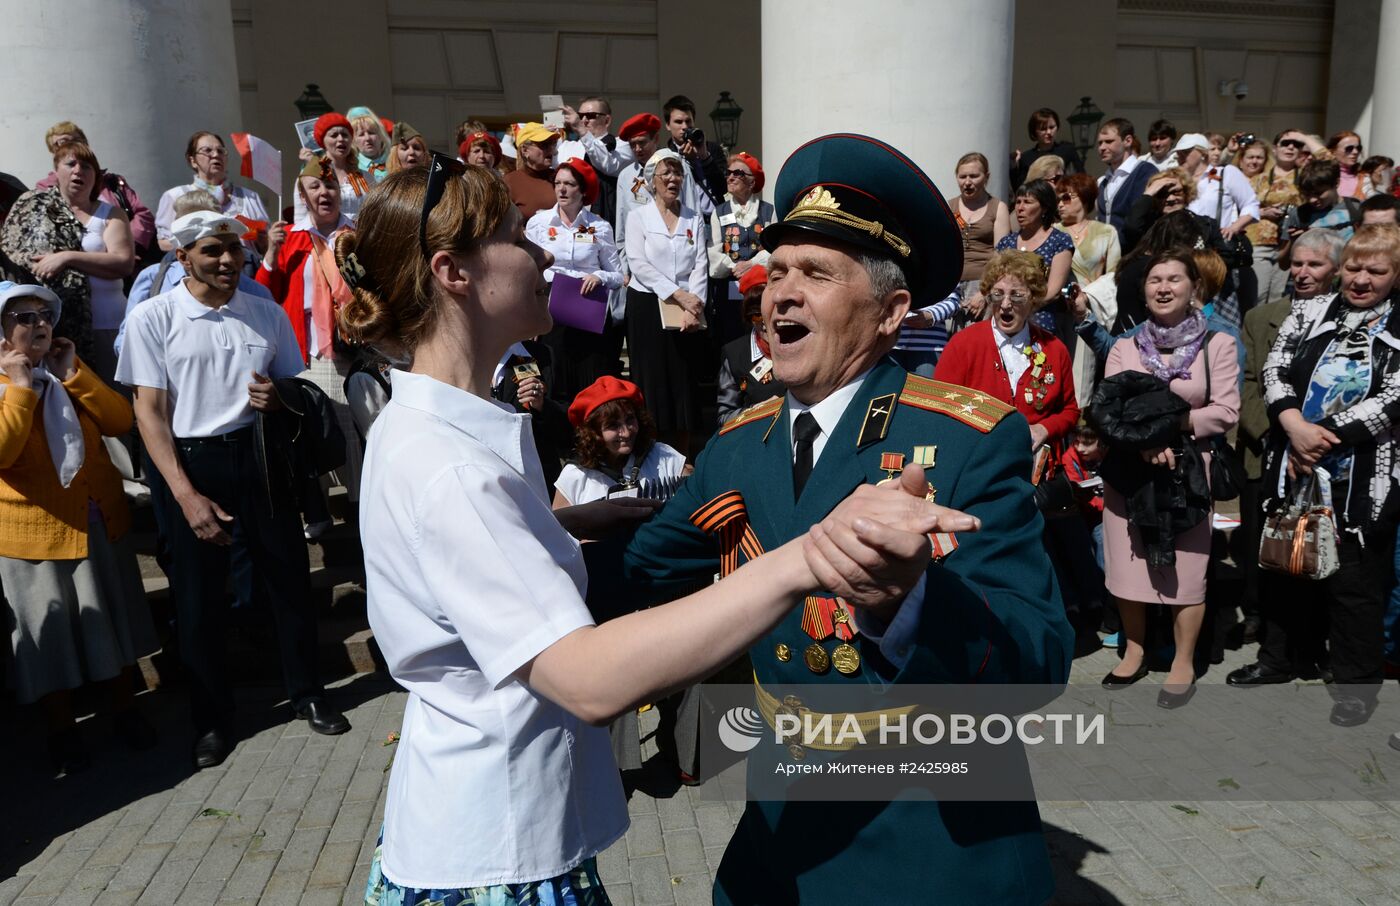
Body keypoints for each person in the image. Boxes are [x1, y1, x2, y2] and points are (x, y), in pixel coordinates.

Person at [335, 160, 947, 904]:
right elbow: (587, 677)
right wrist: (807, 559)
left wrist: (558, 526)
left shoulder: (443, 433)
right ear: (452, 274)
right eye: (510, 234)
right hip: (498, 845)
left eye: (815, 272)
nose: (543, 254)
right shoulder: (453, 467)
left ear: (890, 311)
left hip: (914, 823)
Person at [614, 132, 1074, 905]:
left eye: (817, 274)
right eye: (778, 271)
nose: (780, 293)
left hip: (931, 851)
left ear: (892, 312)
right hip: (781, 846)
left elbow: (1040, 659)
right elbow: (642, 570)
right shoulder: (736, 446)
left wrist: (910, 602)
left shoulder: (968, 438)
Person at [117, 211, 350, 770]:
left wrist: (280, 398)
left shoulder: (266, 313)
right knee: (197, 602)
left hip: (260, 456)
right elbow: (148, 413)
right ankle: (212, 720)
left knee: (288, 580)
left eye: (234, 250)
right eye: (211, 251)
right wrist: (184, 495)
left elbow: (295, 386)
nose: (226, 260)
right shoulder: (154, 317)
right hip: (191, 461)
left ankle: (308, 694)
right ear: (183, 258)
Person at [1228, 225, 1400, 727]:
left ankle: (1355, 686)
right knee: (1285, 565)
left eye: (1376, 270)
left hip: (1361, 476)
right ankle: (1280, 659)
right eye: (1354, 267)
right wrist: (1292, 426)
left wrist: (1320, 436)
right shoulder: (1308, 311)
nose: (1361, 279)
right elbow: (1276, 370)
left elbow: (1392, 398)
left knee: (1354, 585)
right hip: (1294, 465)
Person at [0, 282, 158, 776]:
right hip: (32, 536)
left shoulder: (64, 374)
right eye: (23, 317)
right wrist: (21, 389)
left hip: (95, 520)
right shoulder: (8, 386)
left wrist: (74, 373)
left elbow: (118, 420)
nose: (39, 324)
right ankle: (62, 732)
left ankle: (126, 713)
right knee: (53, 646)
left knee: (110, 623)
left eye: (45, 315)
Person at [1096, 250, 1240, 705]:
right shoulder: (1124, 347)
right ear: (1143, 290)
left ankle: (1182, 661)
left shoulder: (1217, 344)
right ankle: (1134, 650)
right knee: (1128, 566)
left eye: (1174, 279)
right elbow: (1109, 407)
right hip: (1130, 471)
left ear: (1193, 287)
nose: (1163, 287)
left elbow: (1225, 411)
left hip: (1190, 474)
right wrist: (1143, 441)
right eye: (1155, 279)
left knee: (1189, 571)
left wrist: (1166, 427)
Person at [1235, 229, 1345, 647]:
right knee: (1264, 549)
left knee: (1319, 549)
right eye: (1296, 263)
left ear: (1334, 270)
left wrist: (1311, 444)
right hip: (1265, 449)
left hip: (1324, 455)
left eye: (1313, 264)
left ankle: (1318, 638)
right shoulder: (1261, 318)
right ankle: (1265, 627)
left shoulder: (1346, 319)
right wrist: (1282, 437)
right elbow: (1247, 384)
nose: (1301, 272)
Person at [258, 156, 361, 513]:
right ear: (303, 196)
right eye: (315, 186)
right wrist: (271, 251)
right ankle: (317, 508)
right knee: (310, 430)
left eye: (330, 185)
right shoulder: (292, 238)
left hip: (349, 346)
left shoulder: (355, 234)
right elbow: (265, 293)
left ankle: (360, 507)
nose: (324, 192)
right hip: (306, 349)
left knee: (348, 429)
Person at [623, 150, 708, 455]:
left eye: (678, 174)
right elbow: (638, 263)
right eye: (666, 174)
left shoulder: (693, 218)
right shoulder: (638, 217)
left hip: (686, 311)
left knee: (682, 383)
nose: (673, 180)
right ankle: (650, 453)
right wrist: (678, 295)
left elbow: (700, 263)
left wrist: (693, 305)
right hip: (647, 305)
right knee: (653, 381)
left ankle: (682, 456)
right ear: (652, 181)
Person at [32, 142, 136, 385]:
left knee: (112, 398)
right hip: (57, 328)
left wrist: (67, 257)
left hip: (106, 325)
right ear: (56, 172)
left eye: (87, 166)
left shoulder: (110, 215)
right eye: (71, 164)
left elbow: (122, 263)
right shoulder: (39, 214)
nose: (79, 170)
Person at [526, 156, 625, 404]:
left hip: (587, 310)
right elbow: (527, 270)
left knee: (588, 381)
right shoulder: (539, 223)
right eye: (558, 183)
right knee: (554, 379)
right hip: (551, 311)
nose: (561, 189)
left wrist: (598, 275)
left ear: (583, 190)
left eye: (569, 184)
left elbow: (618, 276)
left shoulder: (599, 226)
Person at [553, 376, 687, 506]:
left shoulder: (662, 455)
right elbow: (558, 526)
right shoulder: (576, 475)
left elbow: (694, 497)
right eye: (613, 425)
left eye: (630, 420)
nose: (627, 433)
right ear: (593, 433)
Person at [36, 121, 156, 265]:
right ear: (53, 151)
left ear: (85, 144)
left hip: (121, 267)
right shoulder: (44, 188)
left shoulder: (113, 182)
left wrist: (130, 247)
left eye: (74, 140)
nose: (69, 146)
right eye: (60, 143)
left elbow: (142, 214)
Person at [155, 132, 270, 254]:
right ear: (193, 160)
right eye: (207, 150)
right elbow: (164, 243)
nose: (215, 155)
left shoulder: (249, 197)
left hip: (247, 268)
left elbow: (266, 246)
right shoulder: (175, 196)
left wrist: (265, 240)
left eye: (220, 151)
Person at [707, 151, 774, 341]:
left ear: (752, 182)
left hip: (760, 291)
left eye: (738, 173)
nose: (731, 177)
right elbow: (713, 253)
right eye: (729, 172)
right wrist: (734, 266)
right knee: (729, 338)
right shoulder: (719, 212)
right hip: (728, 292)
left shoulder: (768, 211)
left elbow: (774, 251)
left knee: (762, 337)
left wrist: (751, 265)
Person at [717, 265, 785, 423]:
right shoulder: (735, 354)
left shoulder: (799, 344)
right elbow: (724, 416)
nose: (765, 322)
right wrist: (758, 412)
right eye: (756, 315)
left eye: (772, 312)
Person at [995, 179, 1074, 310]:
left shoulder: (1059, 241)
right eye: (1018, 202)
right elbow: (993, 280)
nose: (1020, 208)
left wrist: (1023, 306)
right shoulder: (1006, 242)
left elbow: (1052, 292)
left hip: (1041, 315)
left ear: (1045, 207)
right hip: (1006, 312)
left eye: (1027, 202)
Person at [558, 95, 633, 229]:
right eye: (580, 116)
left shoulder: (622, 145)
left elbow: (608, 165)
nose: (584, 120)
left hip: (607, 219)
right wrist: (550, 138)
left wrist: (582, 131)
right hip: (572, 221)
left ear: (607, 120)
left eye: (590, 115)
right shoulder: (569, 147)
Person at [1247, 136, 1304, 306]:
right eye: (1285, 144)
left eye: (1297, 144)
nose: (1291, 147)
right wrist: (1264, 211)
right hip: (1259, 242)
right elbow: (1241, 209)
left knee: (1278, 298)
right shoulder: (1258, 179)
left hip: (1288, 244)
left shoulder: (1305, 178)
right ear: (1275, 149)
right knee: (1256, 295)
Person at [949, 151, 1011, 306]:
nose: (967, 182)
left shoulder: (998, 208)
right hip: (951, 283)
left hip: (982, 283)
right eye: (962, 177)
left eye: (974, 176)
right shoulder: (949, 207)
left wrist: (986, 291)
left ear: (986, 177)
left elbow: (1001, 256)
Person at [1174, 133, 1260, 242]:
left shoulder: (1226, 173)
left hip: (1216, 245)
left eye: (1186, 152)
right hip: (1185, 244)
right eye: (1178, 153)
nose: (1179, 156)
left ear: (1202, 153)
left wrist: (1234, 228)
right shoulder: (1176, 180)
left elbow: (1250, 204)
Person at [295, 114, 370, 226]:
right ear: (322, 141)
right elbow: (300, 216)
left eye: (345, 135)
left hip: (361, 238)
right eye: (334, 135)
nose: (340, 139)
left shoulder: (365, 176)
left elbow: (376, 212)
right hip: (324, 238)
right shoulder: (309, 176)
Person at [1096, 117, 1159, 243]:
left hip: (1134, 253)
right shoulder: (1104, 181)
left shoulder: (1145, 172)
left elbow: (1138, 219)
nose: (1102, 147)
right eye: (1100, 143)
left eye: (1109, 141)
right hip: (1107, 257)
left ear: (1128, 141)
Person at [662, 94, 725, 209]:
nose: (684, 126)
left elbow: (723, 188)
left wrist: (704, 157)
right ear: (668, 125)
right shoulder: (664, 156)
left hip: (713, 218)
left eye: (688, 121)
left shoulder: (712, 149)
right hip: (685, 219)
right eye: (678, 122)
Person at [1056, 172, 1121, 285]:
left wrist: (1088, 296)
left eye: (1066, 198)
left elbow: (1113, 275)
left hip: (1092, 298)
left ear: (1084, 197)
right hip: (1058, 299)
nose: (1060, 204)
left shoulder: (1107, 232)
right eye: (1058, 200)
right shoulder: (1052, 232)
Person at [1280, 159, 1357, 249]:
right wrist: (1294, 242)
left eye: (1318, 193)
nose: (1312, 200)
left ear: (1336, 183)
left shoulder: (1355, 208)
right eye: (1307, 194)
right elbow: (1283, 258)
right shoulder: (1298, 214)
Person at [1011, 107, 1085, 188]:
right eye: (1043, 129)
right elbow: (1020, 188)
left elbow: (1081, 178)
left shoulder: (1067, 150)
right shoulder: (1026, 158)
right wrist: (1014, 167)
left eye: (1052, 127)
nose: (1049, 132)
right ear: (1034, 131)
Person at [503, 122, 560, 219]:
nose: (550, 149)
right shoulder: (509, 182)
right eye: (544, 144)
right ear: (525, 150)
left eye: (552, 144)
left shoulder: (560, 178)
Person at [347, 106, 391, 179]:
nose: (367, 138)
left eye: (371, 133)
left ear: (381, 136)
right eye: (361, 135)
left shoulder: (395, 161)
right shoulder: (350, 167)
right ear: (353, 141)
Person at [1326, 130, 1365, 199]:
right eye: (1349, 148)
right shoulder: (1325, 175)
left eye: (1358, 148)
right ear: (1333, 151)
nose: (1355, 152)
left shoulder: (1364, 177)